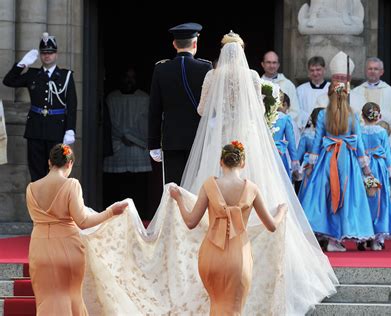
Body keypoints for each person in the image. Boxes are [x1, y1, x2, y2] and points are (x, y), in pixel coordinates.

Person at [79, 31, 337, 316]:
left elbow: (202, 110)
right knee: (254, 187)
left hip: (220, 136)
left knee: (210, 193)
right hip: (247, 136)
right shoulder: (252, 76)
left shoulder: (212, 76)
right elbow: (257, 113)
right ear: (242, 52)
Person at [170, 141, 287, 315]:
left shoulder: (209, 185)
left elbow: (190, 222)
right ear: (243, 163)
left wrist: (179, 199)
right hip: (238, 256)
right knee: (234, 308)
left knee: (216, 305)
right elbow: (271, 226)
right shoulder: (252, 189)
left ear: (221, 162)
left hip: (211, 254)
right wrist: (282, 211)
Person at [25, 144, 127, 316]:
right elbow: (84, 221)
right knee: (71, 299)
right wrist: (110, 212)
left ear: (49, 163)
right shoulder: (72, 185)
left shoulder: (31, 188)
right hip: (67, 249)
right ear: (69, 164)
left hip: (39, 249)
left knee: (46, 301)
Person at [299, 80, 375, 252]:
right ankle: (338, 237)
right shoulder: (353, 115)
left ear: (329, 96)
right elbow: (360, 144)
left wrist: (310, 165)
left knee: (326, 195)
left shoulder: (322, 115)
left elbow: (317, 143)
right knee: (347, 195)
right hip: (347, 160)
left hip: (328, 158)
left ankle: (328, 236)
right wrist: (366, 168)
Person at [3, 32, 77, 181]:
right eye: (43, 53)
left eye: (50, 52)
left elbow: (72, 105)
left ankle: (54, 204)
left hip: (57, 130)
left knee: (56, 172)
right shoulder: (32, 75)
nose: (47, 56)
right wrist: (22, 64)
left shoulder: (65, 76)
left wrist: (70, 129)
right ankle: (38, 204)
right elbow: (9, 81)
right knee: (36, 174)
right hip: (35, 130)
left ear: (56, 54)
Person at [148, 22, 213, 184]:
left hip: (172, 140)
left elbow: (154, 110)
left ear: (174, 44)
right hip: (198, 139)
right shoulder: (206, 68)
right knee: (197, 190)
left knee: (174, 190)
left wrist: (153, 143)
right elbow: (212, 107)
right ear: (195, 43)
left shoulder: (161, 69)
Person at [103, 67, 152, 219]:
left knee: (137, 188)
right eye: (126, 77)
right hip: (117, 147)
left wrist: (130, 137)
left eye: (132, 77)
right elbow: (109, 122)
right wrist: (125, 136)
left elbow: (145, 122)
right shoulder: (112, 98)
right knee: (118, 188)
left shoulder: (144, 98)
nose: (129, 81)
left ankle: (139, 218)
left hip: (137, 148)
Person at [360, 102, 391, 251]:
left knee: (364, 201)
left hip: (364, 168)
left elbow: (357, 151)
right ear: (379, 116)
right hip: (379, 167)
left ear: (362, 115)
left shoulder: (359, 131)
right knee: (379, 201)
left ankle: (363, 235)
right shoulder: (381, 132)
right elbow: (387, 156)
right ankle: (376, 239)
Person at [353, 57, 391, 155]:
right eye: (370, 68)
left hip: (382, 140)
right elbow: (353, 115)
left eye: (376, 69)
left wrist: (375, 117)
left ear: (382, 72)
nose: (372, 71)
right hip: (363, 141)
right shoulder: (357, 91)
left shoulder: (390, 91)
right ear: (365, 71)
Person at [261, 51, 301, 128]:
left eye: (274, 62)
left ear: (278, 65)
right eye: (268, 62)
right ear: (263, 64)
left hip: (283, 127)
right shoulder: (257, 84)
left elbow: (295, 111)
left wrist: (282, 122)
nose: (271, 65)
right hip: (263, 127)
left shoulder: (288, 84)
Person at [296, 56, 329, 130]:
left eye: (318, 70)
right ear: (308, 71)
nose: (315, 73)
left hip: (327, 130)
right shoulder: (300, 90)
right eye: (312, 70)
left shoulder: (331, 88)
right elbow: (297, 110)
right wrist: (309, 119)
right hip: (307, 129)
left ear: (324, 70)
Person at [272, 93, 299, 177]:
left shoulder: (261, 116)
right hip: (278, 155)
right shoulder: (284, 118)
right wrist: (294, 159)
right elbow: (291, 141)